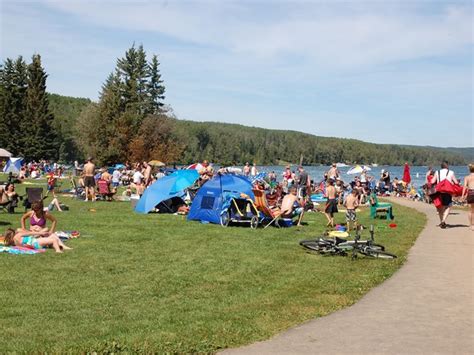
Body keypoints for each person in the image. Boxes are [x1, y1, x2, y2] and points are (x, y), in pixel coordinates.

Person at [431, 161, 459, 229]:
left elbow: (432, 181)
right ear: (447, 166)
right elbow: (456, 182)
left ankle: (441, 222)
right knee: (449, 206)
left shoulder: (437, 172)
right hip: (447, 192)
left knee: (440, 208)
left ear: (441, 166)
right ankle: (443, 220)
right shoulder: (451, 172)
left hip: (438, 192)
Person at [3, 228, 71, 253]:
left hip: (34, 244)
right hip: (35, 243)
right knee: (53, 240)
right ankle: (58, 250)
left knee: (52, 236)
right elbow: (31, 233)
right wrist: (41, 233)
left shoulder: (13, 242)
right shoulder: (18, 235)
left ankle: (61, 246)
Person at [461, 163, 474, 231]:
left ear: (469, 170)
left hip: (470, 193)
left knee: (470, 210)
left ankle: (471, 225)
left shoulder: (467, 177)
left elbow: (465, 187)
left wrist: (463, 195)